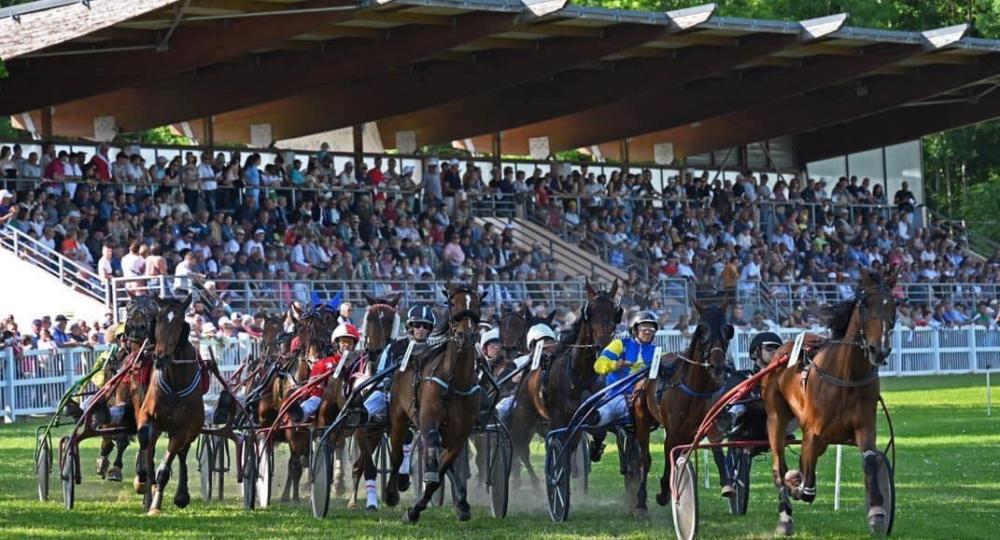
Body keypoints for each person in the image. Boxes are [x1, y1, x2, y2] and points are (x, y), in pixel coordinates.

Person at [588, 311, 658, 429]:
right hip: (617, 395)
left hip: (645, 397)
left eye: (651, 329)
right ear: (634, 330)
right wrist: (616, 364)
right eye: (644, 328)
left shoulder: (657, 351)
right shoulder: (619, 345)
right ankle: (596, 418)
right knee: (614, 409)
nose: (648, 331)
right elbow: (598, 365)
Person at [714, 332, 782, 441]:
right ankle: (732, 420)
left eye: (778, 349)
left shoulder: (784, 379)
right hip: (747, 426)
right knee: (739, 401)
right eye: (770, 348)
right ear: (756, 352)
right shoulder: (741, 377)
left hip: (777, 423)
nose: (775, 352)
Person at [293, 323, 361, 424]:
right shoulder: (324, 362)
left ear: (354, 345)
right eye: (343, 341)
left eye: (349, 342)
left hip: (351, 397)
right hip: (322, 397)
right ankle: (300, 413)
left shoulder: (359, 362)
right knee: (315, 400)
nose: (346, 345)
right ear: (336, 344)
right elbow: (314, 387)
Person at [494, 322, 557, 424]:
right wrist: (514, 379)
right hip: (520, 400)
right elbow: (502, 384)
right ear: (532, 345)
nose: (547, 345)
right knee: (501, 407)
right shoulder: (520, 362)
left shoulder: (557, 362)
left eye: (549, 341)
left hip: (550, 400)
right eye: (543, 342)